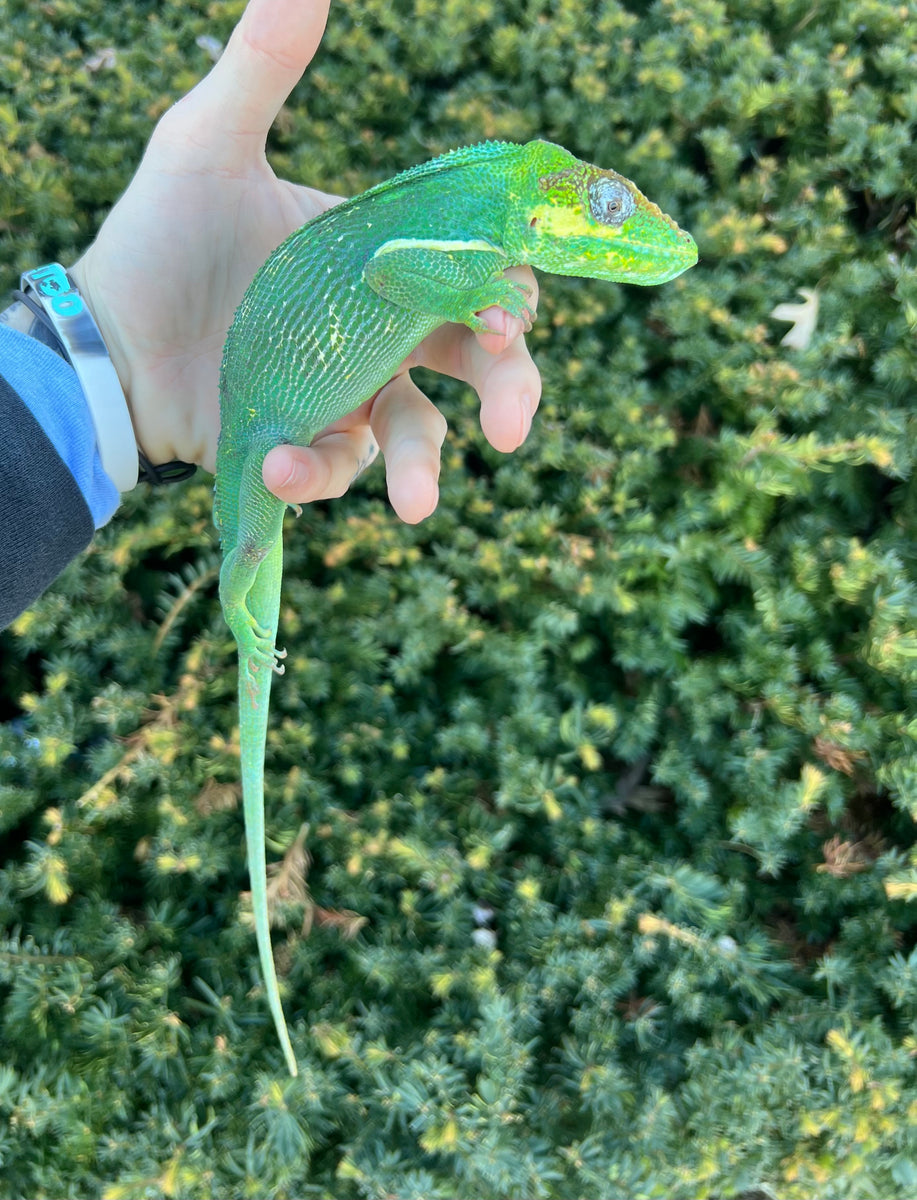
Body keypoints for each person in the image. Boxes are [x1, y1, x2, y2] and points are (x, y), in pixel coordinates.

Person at [0, 0, 542, 628]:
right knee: (249, 547)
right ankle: (238, 614)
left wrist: (103, 347)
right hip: (250, 419)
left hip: (243, 401)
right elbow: (392, 272)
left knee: (262, 523)